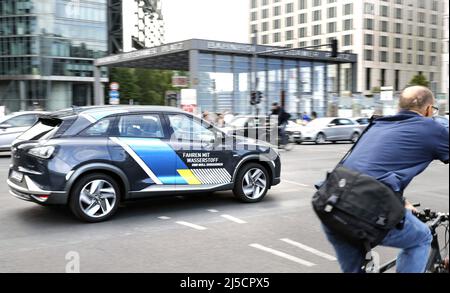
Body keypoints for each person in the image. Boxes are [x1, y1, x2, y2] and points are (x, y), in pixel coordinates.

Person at [322, 86, 449, 273]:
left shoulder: (378, 124)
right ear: (429, 110)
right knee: (421, 238)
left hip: (330, 204)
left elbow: (372, 170)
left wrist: (401, 201)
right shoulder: (432, 128)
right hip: (367, 207)